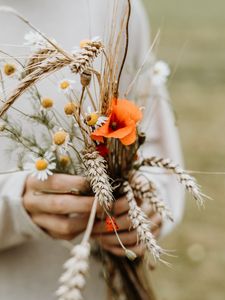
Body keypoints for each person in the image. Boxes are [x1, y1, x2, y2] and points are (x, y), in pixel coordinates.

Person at [0, 0, 185, 299]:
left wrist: (148, 204)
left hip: (100, 287)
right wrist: (14, 205)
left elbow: (151, 138)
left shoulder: (115, 7)